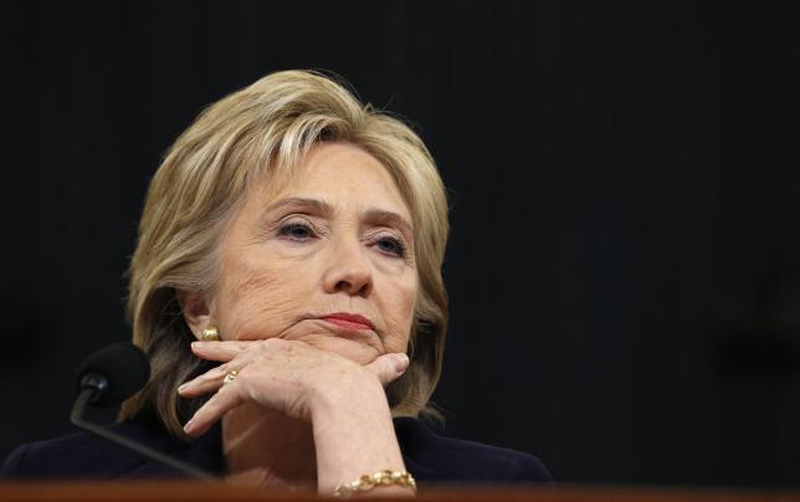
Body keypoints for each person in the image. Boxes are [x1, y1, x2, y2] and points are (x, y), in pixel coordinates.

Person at [1, 70, 551, 495]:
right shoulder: (62, 480)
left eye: (387, 243)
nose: (355, 272)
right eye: (297, 230)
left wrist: (347, 407)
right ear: (196, 303)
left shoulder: (501, 488)